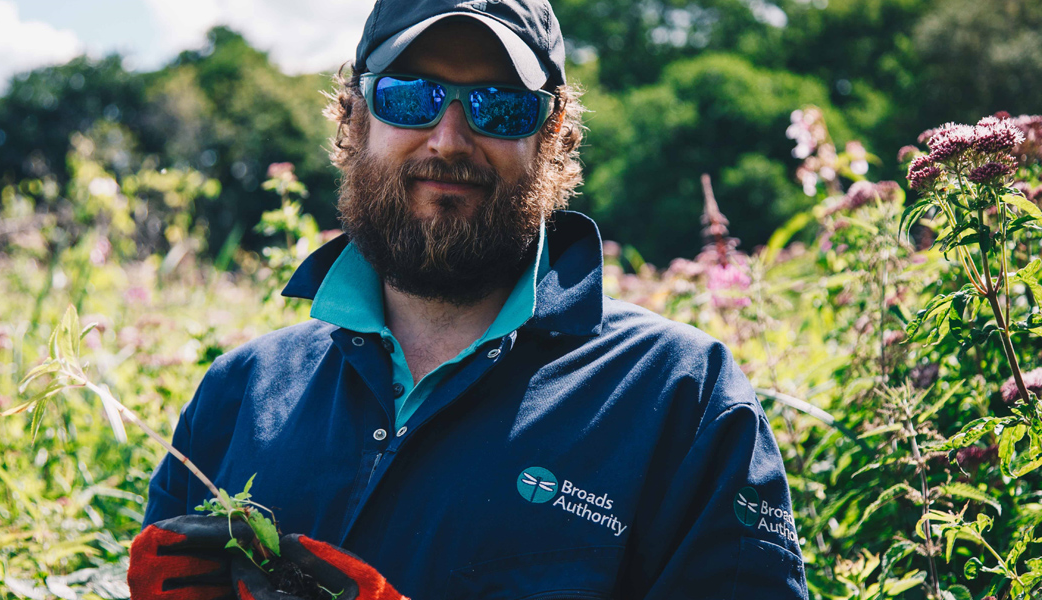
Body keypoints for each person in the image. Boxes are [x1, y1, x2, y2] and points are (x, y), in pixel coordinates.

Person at [129, 0, 809, 598]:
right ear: (355, 117)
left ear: (553, 135)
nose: (450, 139)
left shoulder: (679, 399)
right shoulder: (239, 395)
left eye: (500, 105)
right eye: (410, 96)